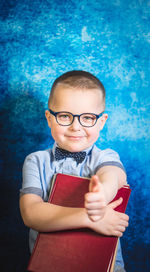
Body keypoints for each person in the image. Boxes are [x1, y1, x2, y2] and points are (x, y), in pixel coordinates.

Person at [20, 70, 129, 272]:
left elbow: (114, 176)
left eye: (87, 118)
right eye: (64, 116)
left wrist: (102, 195)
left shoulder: (105, 158)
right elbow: (30, 213)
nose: (75, 127)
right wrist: (89, 217)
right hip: (50, 266)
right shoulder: (35, 161)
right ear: (49, 118)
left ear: (102, 121)